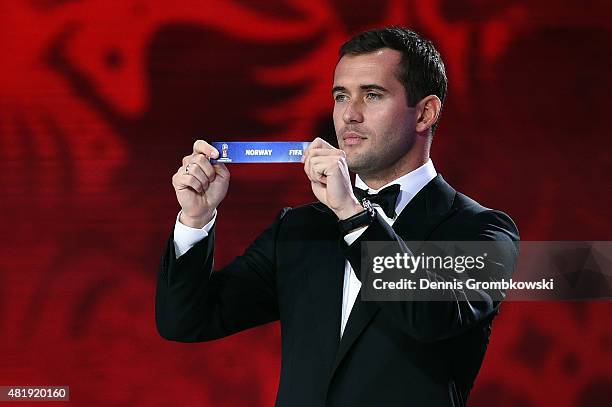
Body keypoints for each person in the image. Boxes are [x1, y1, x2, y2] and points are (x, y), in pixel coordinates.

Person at [156, 26, 519, 407]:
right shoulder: (300, 228)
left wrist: (350, 213)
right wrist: (195, 221)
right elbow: (186, 320)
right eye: (341, 96)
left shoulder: (482, 230)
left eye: (372, 95)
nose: (350, 114)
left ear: (425, 112)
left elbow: (429, 316)